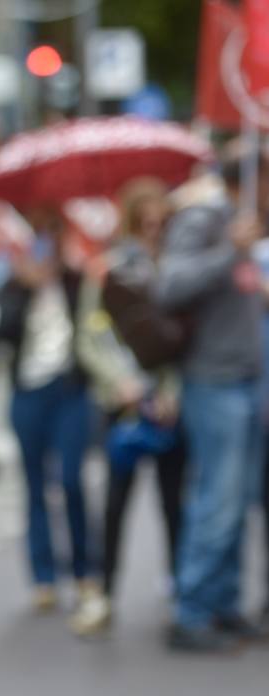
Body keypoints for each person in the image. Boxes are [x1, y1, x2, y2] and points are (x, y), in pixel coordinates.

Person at [154, 155, 268, 651]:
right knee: (217, 500)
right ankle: (192, 612)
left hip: (245, 378)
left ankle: (223, 603)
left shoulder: (244, 227)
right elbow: (169, 286)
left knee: (238, 499)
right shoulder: (205, 222)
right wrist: (229, 251)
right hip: (214, 379)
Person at [72, 178, 184, 636]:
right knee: (115, 502)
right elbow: (89, 336)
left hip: (169, 402)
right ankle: (104, 591)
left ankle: (181, 587)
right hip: (122, 402)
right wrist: (121, 383)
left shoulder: (177, 268)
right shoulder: (107, 270)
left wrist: (172, 390)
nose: (154, 231)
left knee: (174, 500)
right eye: (145, 223)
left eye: (161, 223)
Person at [0, 207, 98, 615]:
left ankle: (85, 570)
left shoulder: (78, 282)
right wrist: (22, 289)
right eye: (42, 235)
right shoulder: (15, 284)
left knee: (71, 480)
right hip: (28, 393)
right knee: (35, 484)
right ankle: (43, 577)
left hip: (70, 392)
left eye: (56, 234)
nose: (49, 244)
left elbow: (97, 330)